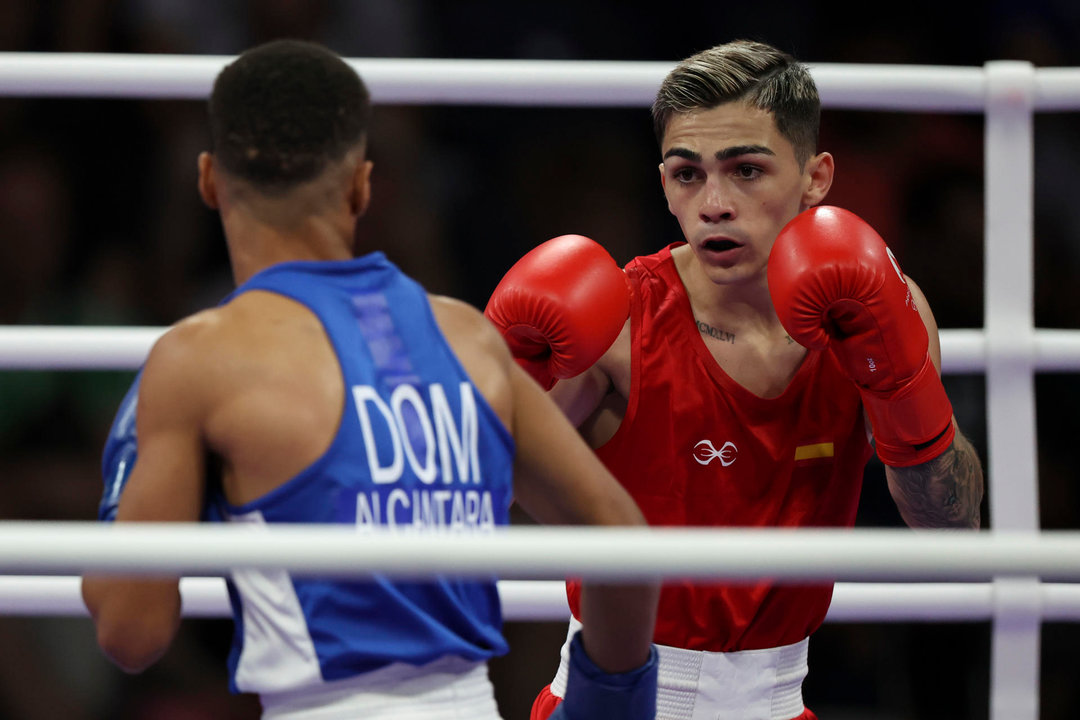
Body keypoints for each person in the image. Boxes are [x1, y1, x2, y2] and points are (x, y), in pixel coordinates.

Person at [81, 39, 660, 720]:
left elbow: (132, 633)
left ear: (208, 181)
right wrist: (604, 705)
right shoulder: (467, 337)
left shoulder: (201, 359)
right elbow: (621, 542)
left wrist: (123, 502)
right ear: (361, 185)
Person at [484, 39, 986, 720]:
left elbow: (950, 526)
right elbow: (480, 494)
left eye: (746, 170)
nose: (714, 203)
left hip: (780, 701)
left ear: (816, 178)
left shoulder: (880, 308)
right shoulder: (620, 323)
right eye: (687, 174)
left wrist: (899, 387)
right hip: (613, 701)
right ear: (663, 184)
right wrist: (502, 382)